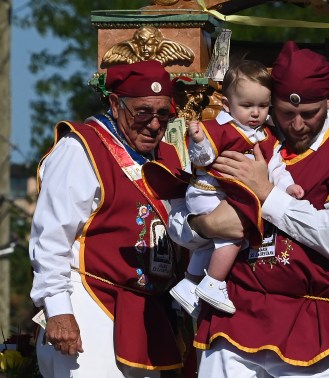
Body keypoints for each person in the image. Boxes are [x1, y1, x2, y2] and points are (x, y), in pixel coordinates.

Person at [165, 41, 329, 377]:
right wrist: (203, 226)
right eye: (285, 113)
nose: (296, 125)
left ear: (328, 101)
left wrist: (267, 193)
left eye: (309, 114)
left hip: (310, 322)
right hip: (232, 315)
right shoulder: (242, 133)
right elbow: (179, 214)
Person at [29, 60, 185, 377]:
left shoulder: (169, 155)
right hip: (87, 303)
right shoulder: (81, 148)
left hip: (147, 310)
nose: (154, 124)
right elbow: (50, 238)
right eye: (143, 112)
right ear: (115, 104)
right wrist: (59, 310)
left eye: (163, 114)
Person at [170, 60, 304, 318]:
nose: (256, 113)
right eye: (247, 106)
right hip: (207, 192)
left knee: (208, 245)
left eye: (263, 106)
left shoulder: (268, 137)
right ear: (226, 105)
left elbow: (276, 168)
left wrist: (288, 187)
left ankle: (189, 284)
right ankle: (215, 282)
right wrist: (198, 140)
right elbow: (202, 158)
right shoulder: (219, 129)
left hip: (228, 193)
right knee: (235, 232)